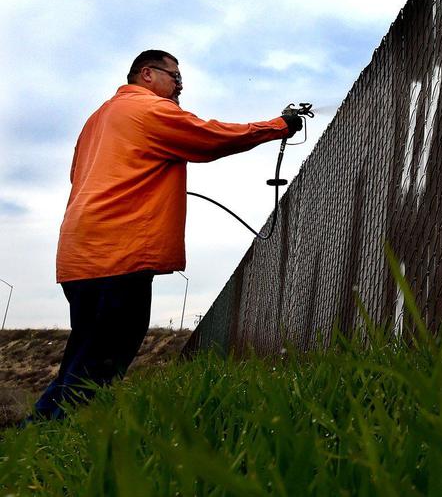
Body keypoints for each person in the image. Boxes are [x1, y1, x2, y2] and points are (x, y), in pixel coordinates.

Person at [26, 50, 303, 422]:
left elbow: (79, 175)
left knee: (84, 354)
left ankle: (38, 436)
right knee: (102, 362)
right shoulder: (148, 110)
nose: (179, 87)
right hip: (118, 253)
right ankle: (61, 444)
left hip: (80, 253)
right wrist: (279, 126)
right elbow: (209, 137)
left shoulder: (97, 120)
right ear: (147, 74)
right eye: (175, 77)